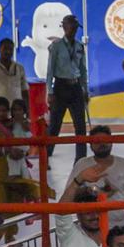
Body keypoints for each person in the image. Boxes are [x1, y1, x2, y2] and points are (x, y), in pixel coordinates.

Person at [45, 14, 88, 159]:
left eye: (76, 27)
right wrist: (50, 92)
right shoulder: (56, 46)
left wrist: (85, 89)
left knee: (80, 126)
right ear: (64, 27)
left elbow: (82, 70)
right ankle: (47, 155)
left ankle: (80, 158)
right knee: (55, 124)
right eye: (71, 26)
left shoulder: (79, 46)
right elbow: (50, 70)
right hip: (60, 86)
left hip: (75, 87)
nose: (74, 29)